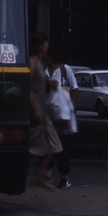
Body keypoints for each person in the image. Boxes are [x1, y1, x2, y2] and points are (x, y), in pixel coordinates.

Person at [28, 32, 62, 191]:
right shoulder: (32, 62)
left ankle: (40, 175)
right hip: (37, 110)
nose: (48, 45)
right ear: (40, 45)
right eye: (46, 43)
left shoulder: (40, 62)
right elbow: (26, 86)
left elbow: (38, 82)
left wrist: (49, 83)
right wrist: (35, 108)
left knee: (52, 145)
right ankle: (39, 176)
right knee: (50, 144)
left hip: (42, 109)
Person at [45, 43, 78, 189]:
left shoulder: (65, 70)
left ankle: (64, 176)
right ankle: (47, 174)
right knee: (47, 143)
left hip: (62, 114)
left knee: (62, 146)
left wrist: (71, 107)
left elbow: (75, 88)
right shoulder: (44, 70)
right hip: (48, 112)